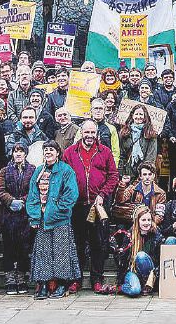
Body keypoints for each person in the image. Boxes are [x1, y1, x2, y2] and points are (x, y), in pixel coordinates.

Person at [62, 120, 120, 294]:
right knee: (77, 244)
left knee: (98, 244)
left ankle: (97, 279)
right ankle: (75, 280)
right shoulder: (70, 152)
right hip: (76, 206)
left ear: (96, 134)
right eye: (86, 132)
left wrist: (102, 194)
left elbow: (113, 176)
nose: (89, 136)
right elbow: (64, 176)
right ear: (81, 133)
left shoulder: (105, 152)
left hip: (98, 206)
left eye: (92, 133)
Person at [28, 141, 81, 300]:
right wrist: (35, 216)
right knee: (43, 252)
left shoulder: (66, 171)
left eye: (51, 149)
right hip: (43, 220)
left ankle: (62, 284)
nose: (48, 152)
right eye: (46, 150)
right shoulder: (38, 171)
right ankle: (43, 285)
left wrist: (56, 210)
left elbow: (72, 195)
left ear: (58, 152)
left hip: (60, 219)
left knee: (62, 253)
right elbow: (32, 196)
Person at [0, 141, 36, 295]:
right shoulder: (4, 171)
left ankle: (21, 277)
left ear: (25, 153)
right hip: (8, 215)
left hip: (25, 215)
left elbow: (35, 188)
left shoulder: (32, 170)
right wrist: (11, 200)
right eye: (15, 151)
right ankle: (10, 278)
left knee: (24, 248)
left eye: (21, 151)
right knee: (9, 248)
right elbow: (0, 190)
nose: (18, 154)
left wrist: (24, 201)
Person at [114, 205, 165, 297]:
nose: (147, 223)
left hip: (150, 271)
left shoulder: (156, 234)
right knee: (134, 290)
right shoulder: (130, 235)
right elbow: (122, 262)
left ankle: (147, 284)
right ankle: (121, 288)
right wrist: (118, 252)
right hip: (133, 270)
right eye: (143, 220)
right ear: (137, 221)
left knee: (141, 256)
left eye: (149, 220)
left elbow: (160, 260)